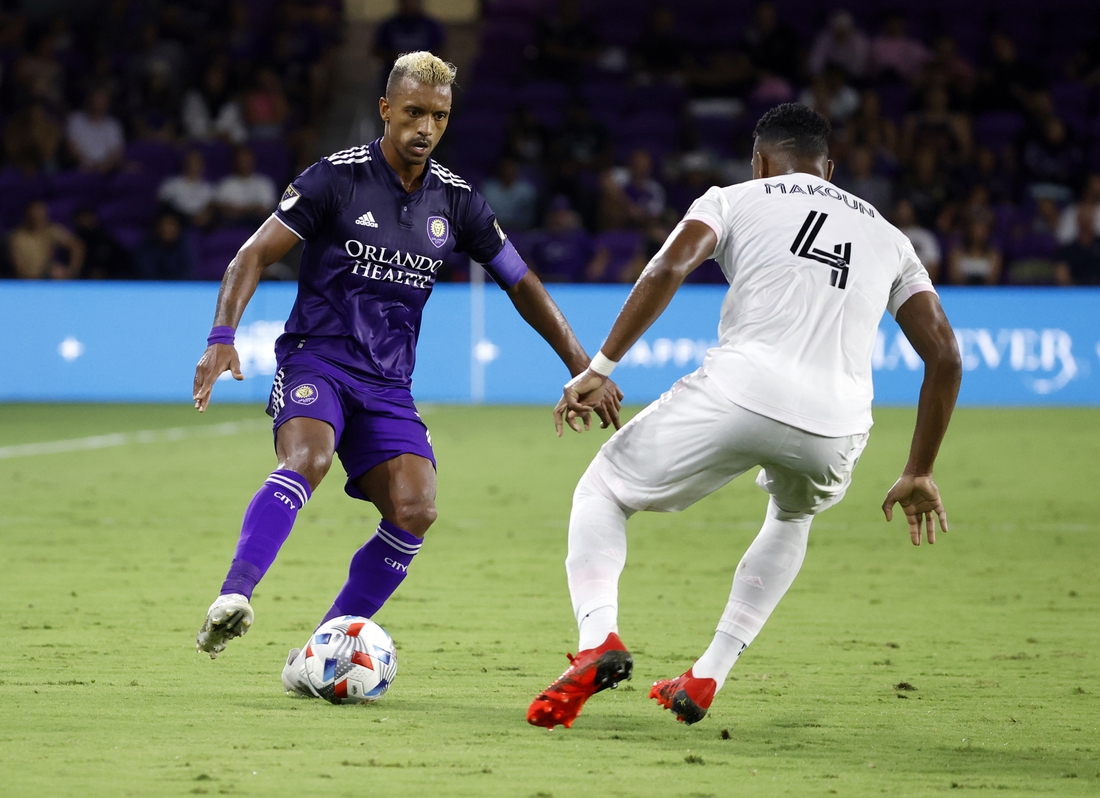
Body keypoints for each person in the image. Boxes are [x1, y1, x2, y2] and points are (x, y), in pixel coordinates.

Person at [192, 53, 623, 691]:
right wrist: (221, 336)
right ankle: (233, 598)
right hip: (318, 359)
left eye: (440, 116)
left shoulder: (459, 202)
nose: (426, 127)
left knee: (416, 509)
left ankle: (320, 651)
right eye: (415, 112)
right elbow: (251, 256)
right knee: (306, 461)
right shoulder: (332, 181)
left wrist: (584, 366)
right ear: (387, 110)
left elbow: (522, 283)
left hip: (388, 385)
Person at [526, 104, 961, 730]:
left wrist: (600, 365)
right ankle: (707, 675)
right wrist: (919, 468)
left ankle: (599, 639)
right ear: (829, 169)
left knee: (603, 489)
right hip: (836, 424)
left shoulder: (734, 198)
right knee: (792, 513)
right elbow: (944, 355)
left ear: (760, 161)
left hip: (741, 391)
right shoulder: (892, 238)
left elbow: (668, 267)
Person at [9, 200, 84, 279]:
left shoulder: (51, 231)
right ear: (27, 215)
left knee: (57, 272)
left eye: (41, 214)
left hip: (46, 278)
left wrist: (71, 271)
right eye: (34, 214)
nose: (37, 217)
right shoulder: (17, 237)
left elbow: (77, 246)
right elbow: (19, 266)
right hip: (24, 281)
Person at [66, 86, 125, 173]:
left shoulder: (113, 125)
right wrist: (86, 164)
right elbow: (72, 147)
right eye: (97, 98)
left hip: (107, 171)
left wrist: (104, 167)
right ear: (90, 99)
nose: (99, 102)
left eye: (102, 99)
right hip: (81, 169)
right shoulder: (76, 119)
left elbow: (117, 152)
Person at [214, 146, 278, 225]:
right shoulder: (225, 184)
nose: (244, 163)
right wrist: (251, 209)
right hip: (232, 226)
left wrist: (240, 210)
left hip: (258, 226)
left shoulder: (264, 183)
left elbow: (266, 209)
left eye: (247, 159)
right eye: (241, 160)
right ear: (235, 161)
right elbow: (224, 209)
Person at [158, 150, 215, 227]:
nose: (193, 166)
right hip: (179, 222)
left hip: (202, 223)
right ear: (185, 164)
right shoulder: (172, 184)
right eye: (191, 162)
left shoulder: (208, 187)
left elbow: (210, 207)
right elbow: (163, 205)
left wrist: (204, 216)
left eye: (197, 163)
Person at [134, 210, 195, 280]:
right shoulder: (146, 247)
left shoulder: (188, 246)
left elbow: (189, 272)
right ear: (157, 227)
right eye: (164, 225)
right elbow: (146, 273)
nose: (167, 229)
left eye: (171, 224)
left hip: (180, 288)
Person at [1055, 203, 1100, 285]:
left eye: (1088, 217)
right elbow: (1062, 275)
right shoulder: (1069, 249)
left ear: (1092, 219)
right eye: (1082, 217)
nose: (1085, 220)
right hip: (1076, 292)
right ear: (1077, 220)